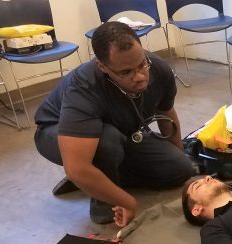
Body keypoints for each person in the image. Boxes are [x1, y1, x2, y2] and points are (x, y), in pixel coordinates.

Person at [34, 22, 194, 226]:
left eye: (141, 65)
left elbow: (166, 113)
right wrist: (127, 201)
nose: (139, 77)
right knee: (107, 142)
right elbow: (76, 167)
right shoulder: (83, 88)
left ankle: (97, 179)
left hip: (119, 132)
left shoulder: (159, 68)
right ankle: (102, 200)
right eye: (126, 72)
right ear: (102, 66)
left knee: (180, 169)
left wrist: (180, 156)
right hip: (56, 132)